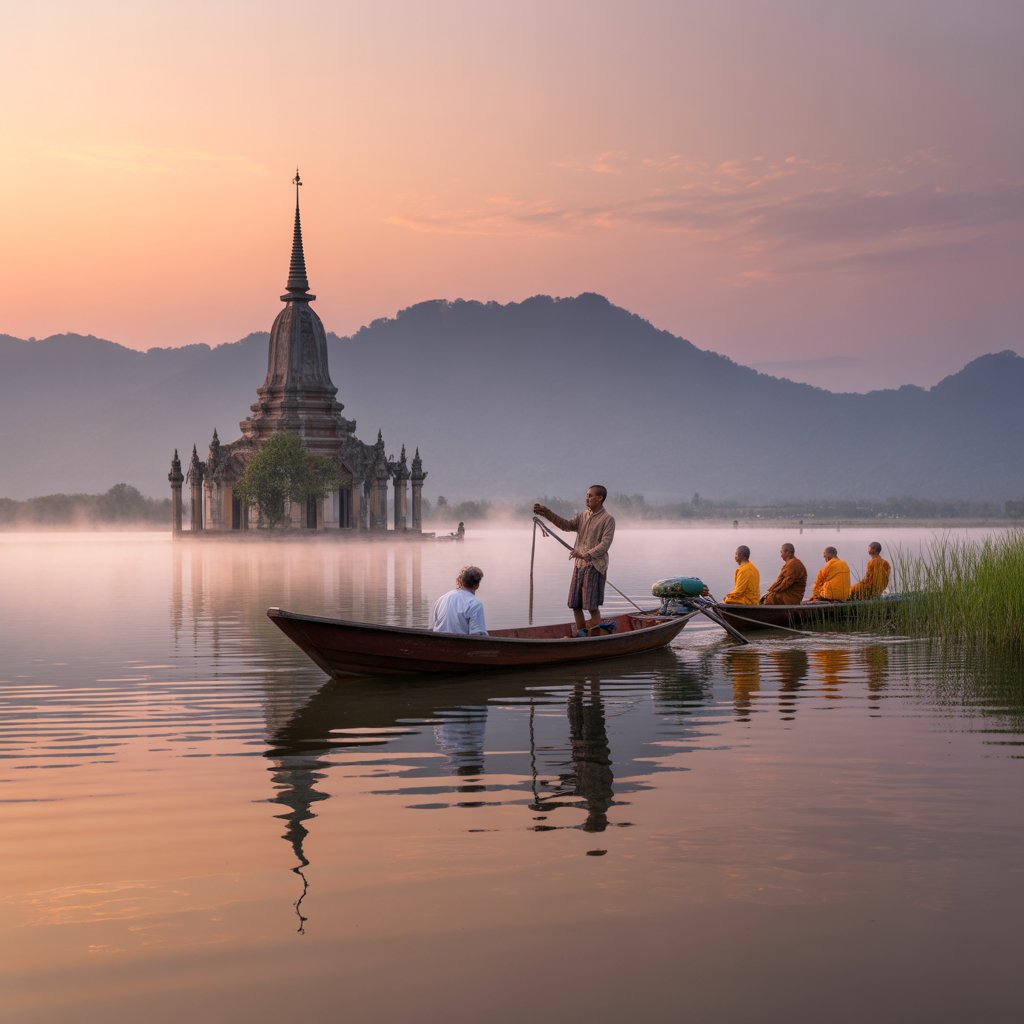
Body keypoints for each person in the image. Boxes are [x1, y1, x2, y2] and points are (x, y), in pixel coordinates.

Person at [533, 485, 616, 636]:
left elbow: (605, 545)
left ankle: (591, 637)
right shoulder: (583, 516)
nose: (587, 498)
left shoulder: (608, 519)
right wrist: (545, 512)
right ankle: (582, 634)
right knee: (575, 604)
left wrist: (585, 554)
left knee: (592, 607)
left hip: (595, 566)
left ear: (600, 498)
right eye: (587, 495)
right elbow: (566, 525)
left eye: (590, 496)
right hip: (579, 565)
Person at [430, 565, 488, 635]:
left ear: (461, 580)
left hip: (438, 643)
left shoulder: (441, 599)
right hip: (461, 645)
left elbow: (433, 628)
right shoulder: (475, 603)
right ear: (477, 585)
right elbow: (477, 635)